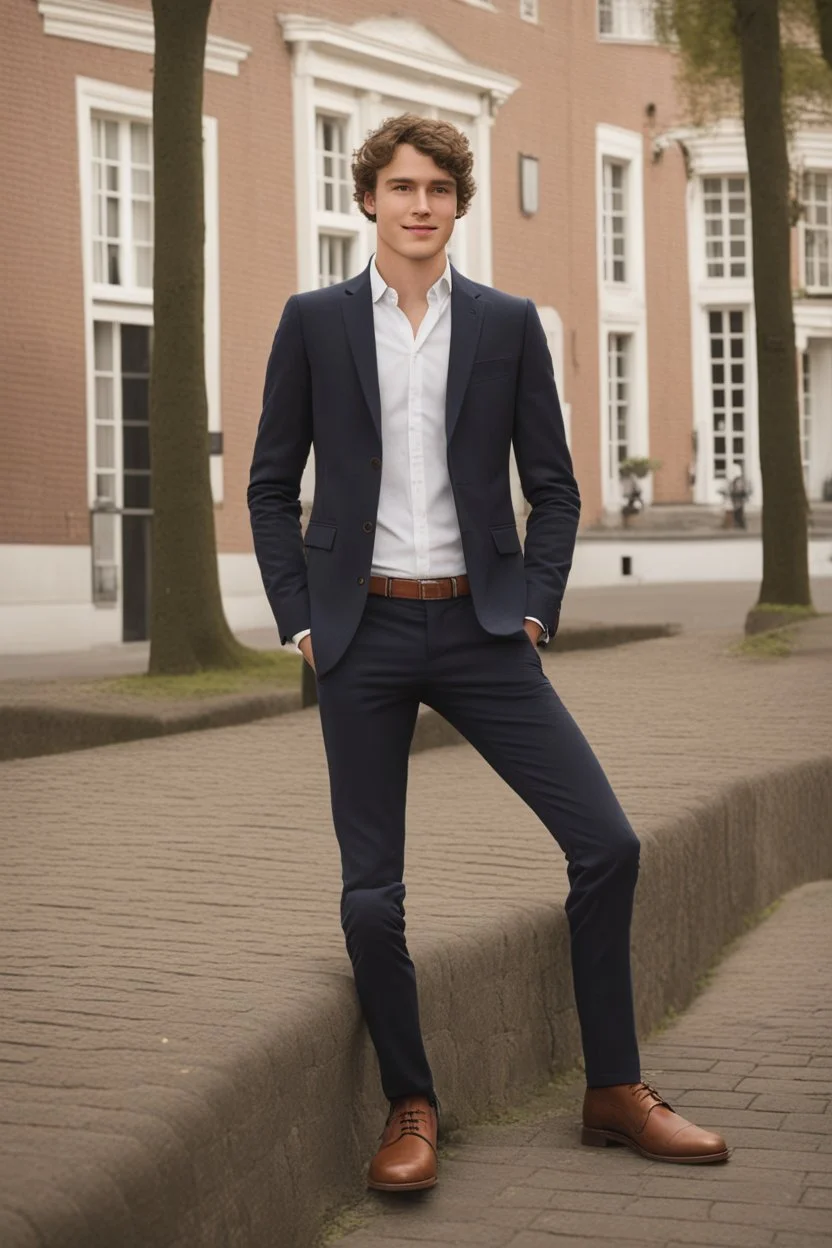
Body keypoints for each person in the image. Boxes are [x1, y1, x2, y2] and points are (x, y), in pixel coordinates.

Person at [248, 114, 729, 1192]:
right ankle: (410, 1105)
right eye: (399, 186)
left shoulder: (508, 325)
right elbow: (270, 485)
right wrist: (303, 620)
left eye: (437, 189)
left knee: (607, 843)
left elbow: (552, 487)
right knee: (373, 895)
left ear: (457, 205)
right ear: (366, 198)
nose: (418, 205)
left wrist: (535, 607)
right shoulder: (315, 324)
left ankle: (614, 1089)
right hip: (359, 635)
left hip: (480, 628)